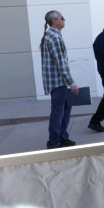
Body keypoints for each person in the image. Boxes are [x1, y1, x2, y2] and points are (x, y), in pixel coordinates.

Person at [40, 10, 79, 149]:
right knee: (58, 112)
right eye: (62, 17)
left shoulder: (51, 35)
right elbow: (61, 63)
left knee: (64, 110)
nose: (64, 19)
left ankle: (62, 138)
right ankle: (53, 142)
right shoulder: (54, 38)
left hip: (57, 81)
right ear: (54, 21)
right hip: (58, 82)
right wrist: (72, 83)